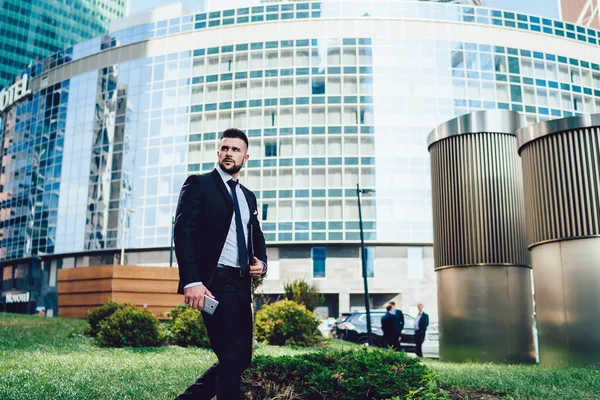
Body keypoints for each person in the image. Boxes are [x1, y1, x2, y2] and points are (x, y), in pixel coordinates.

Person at [174, 128, 268, 400]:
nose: (229, 153)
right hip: (213, 283)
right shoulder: (199, 184)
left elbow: (256, 233)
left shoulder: (248, 196)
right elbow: (183, 232)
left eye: (235, 149)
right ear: (218, 152)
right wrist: (192, 281)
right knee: (231, 353)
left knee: (240, 356)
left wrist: (261, 262)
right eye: (225, 148)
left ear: (245, 157)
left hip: (241, 283)